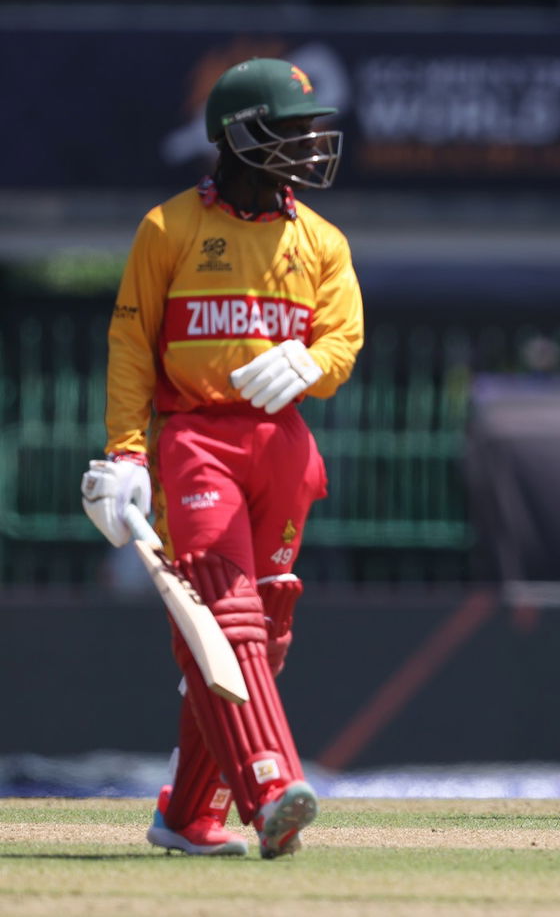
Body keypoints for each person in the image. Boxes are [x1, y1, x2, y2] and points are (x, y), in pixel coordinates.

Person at [80, 57, 363, 857]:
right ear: (243, 135)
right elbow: (132, 344)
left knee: (263, 631)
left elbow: (343, 336)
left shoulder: (322, 241)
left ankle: (186, 815)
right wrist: (127, 452)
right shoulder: (168, 228)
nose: (312, 143)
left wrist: (315, 362)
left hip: (283, 448)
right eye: (295, 128)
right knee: (226, 615)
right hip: (197, 442)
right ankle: (273, 786)